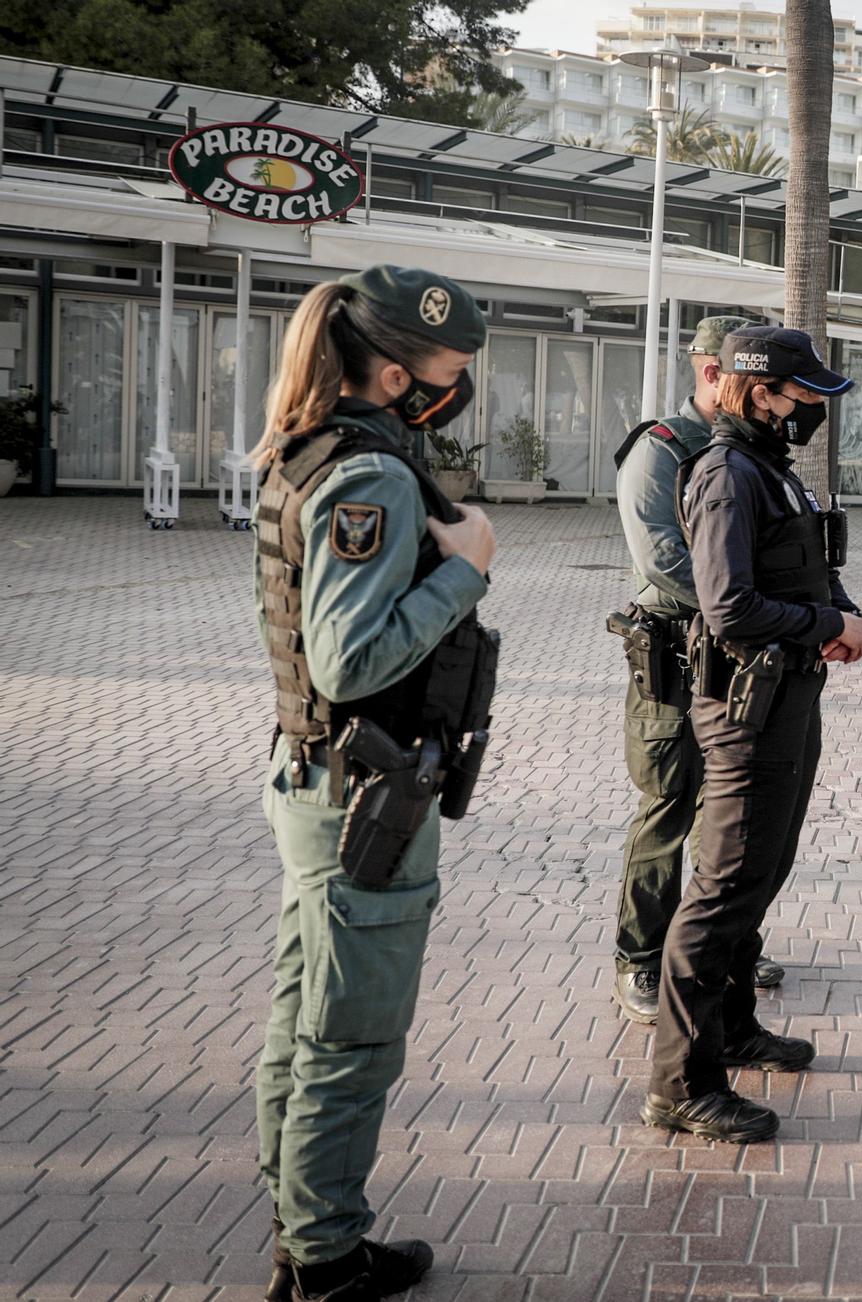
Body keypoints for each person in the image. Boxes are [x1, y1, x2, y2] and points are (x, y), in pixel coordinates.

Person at [251, 266, 501, 1302]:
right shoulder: (371, 474)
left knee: (306, 1016)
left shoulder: (313, 447)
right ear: (396, 369)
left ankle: (305, 1222)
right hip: (367, 795)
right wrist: (467, 567)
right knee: (349, 1039)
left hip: (322, 778)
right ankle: (323, 1262)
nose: (458, 386)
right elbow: (351, 660)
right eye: (450, 368)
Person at [643, 326, 862, 1144]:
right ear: (756, 390)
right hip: (746, 705)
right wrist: (825, 621)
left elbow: (798, 568)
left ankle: (734, 1029)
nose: (813, 407)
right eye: (802, 394)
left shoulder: (769, 469)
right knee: (721, 890)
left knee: (760, 873)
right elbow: (728, 606)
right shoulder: (725, 473)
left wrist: (836, 619)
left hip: (786, 696)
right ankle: (680, 1081)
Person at [608, 314, 787, 1028]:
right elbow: (662, 560)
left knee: (733, 815)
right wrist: (741, 603)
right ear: (714, 374)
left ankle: (727, 945)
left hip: (735, 659)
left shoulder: (750, 452)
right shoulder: (660, 451)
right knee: (668, 807)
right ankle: (640, 959)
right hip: (676, 657)